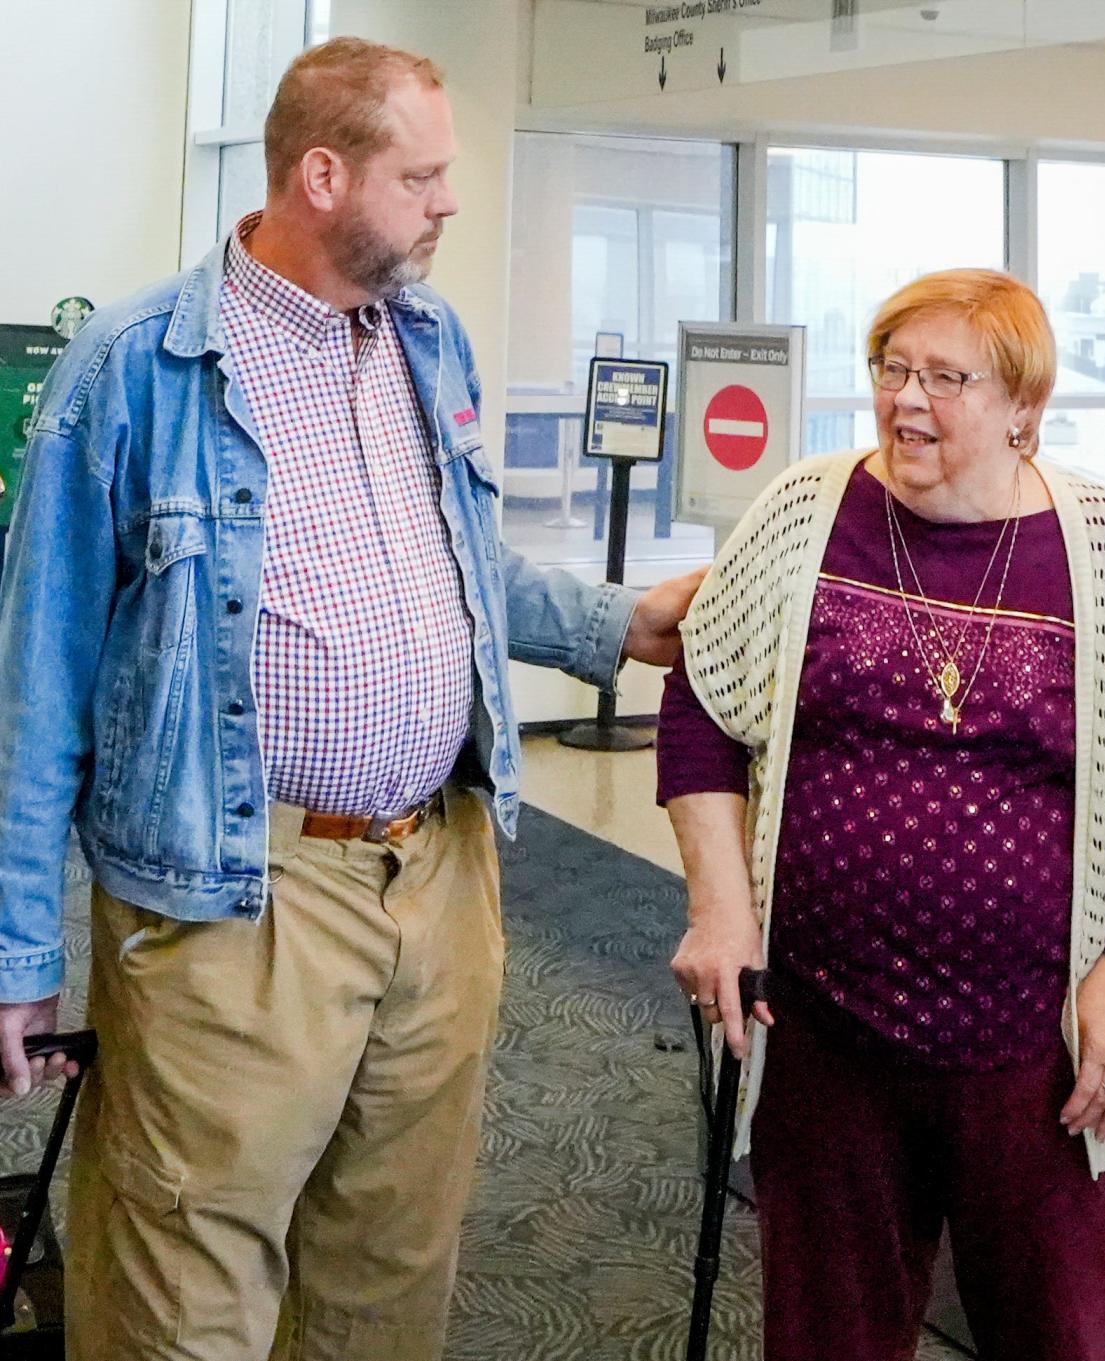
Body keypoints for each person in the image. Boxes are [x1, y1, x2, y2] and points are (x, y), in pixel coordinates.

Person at [0, 37, 701, 1361]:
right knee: (186, 1278)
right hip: (236, 894)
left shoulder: (424, 340)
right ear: (322, 174)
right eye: (422, 176)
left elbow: (455, 567)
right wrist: (18, 949)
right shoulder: (136, 366)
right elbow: (32, 680)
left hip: (441, 877)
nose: (447, 202)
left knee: (386, 1270)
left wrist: (614, 624)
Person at [658, 269, 1105, 1361]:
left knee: (1058, 1330)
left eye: (946, 378)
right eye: (892, 368)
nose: (907, 400)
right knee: (829, 1334)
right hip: (826, 1031)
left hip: (1038, 1048)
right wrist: (721, 908)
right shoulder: (806, 511)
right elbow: (702, 696)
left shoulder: (1100, 545)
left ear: (1024, 404)